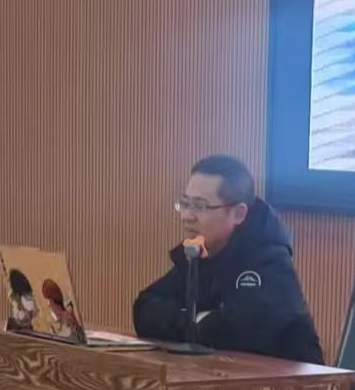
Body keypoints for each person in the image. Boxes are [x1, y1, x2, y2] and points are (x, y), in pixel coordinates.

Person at [133, 155, 325, 364]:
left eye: (199, 206)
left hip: (288, 382)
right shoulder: (201, 251)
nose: (186, 216)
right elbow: (144, 309)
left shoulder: (268, 260)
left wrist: (190, 322)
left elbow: (239, 332)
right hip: (219, 375)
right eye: (185, 204)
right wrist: (196, 321)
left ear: (238, 214)